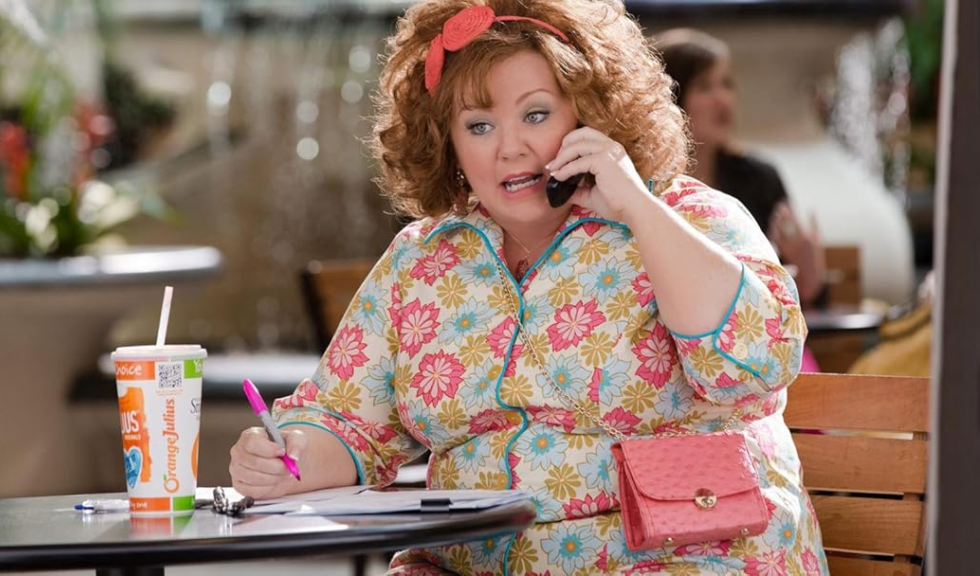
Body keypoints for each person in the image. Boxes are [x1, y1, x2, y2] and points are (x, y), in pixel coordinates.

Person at [230, 1, 827, 574]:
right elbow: (347, 422)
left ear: (589, 112)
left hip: (689, 558)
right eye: (479, 125)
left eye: (536, 115)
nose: (510, 146)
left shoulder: (686, 216)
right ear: (449, 145)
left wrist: (637, 209)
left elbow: (756, 363)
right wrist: (288, 456)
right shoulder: (422, 259)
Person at [654, 28, 828, 309]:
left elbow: (801, 300)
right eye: (704, 87)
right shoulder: (644, 183)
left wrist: (807, 266)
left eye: (726, 84)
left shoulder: (759, 179)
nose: (722, 99)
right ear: (670, 98)